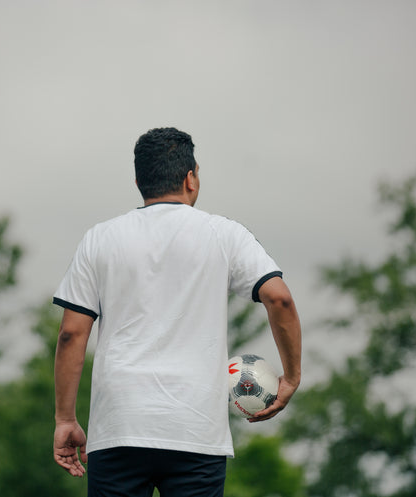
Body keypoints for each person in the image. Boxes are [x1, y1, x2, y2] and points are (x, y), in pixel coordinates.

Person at [52, 127, 302, 496]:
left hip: (119, 427)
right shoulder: (225, 234)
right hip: (196, 430)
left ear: (139, 181)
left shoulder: (100, 239)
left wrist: (65, 418)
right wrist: (292, 376)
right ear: (191, 178)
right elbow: (279, 298)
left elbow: (71, 334)